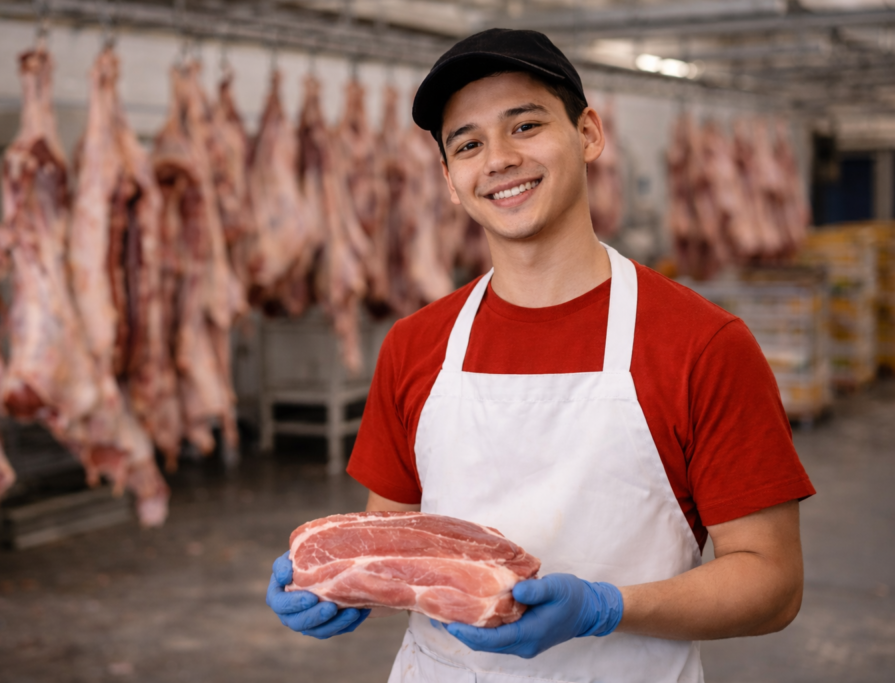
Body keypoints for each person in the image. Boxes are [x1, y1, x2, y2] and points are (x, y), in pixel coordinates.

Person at [266, 28, 815, 683]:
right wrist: (339, 583)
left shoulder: (703, 344)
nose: (499, 159)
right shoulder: (415, 345)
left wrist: (606, 608)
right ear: (450, 180)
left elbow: (772, 581)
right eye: (468, 144)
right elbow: (395, 543)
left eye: (525, 126)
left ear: (588, 134)